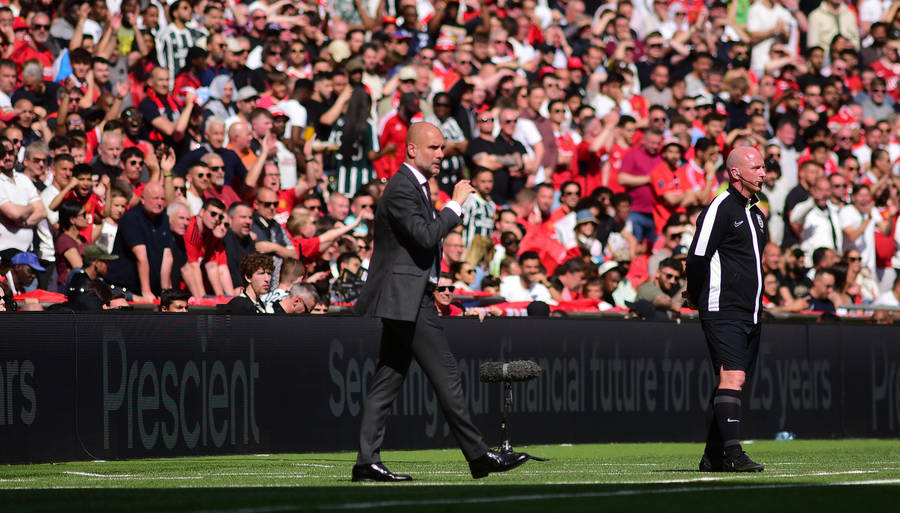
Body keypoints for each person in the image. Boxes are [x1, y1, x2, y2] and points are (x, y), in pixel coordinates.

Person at [353, 122, 528, 482]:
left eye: (443, 148)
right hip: (406, 299)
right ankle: (478, 455)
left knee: (387, 378)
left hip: (410, 295)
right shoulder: (403, 187)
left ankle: (366, 462)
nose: (440, 154)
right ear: (412, 150)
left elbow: (420, 243)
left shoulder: (414, 186)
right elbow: (426, 236)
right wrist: (455, 205)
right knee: (446, 373)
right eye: (433, 147)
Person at [686, 146, 767, 473]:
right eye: (757, 167)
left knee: (733, 379)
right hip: (723, 308)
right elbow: (697, 255)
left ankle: (713, 455)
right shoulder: (720, 205)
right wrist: (693, 294)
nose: (763, 173)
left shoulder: (758, 214)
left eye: (764, 167)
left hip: (751, 311)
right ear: (736, 173)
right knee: (732, 376)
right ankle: (733, 453)